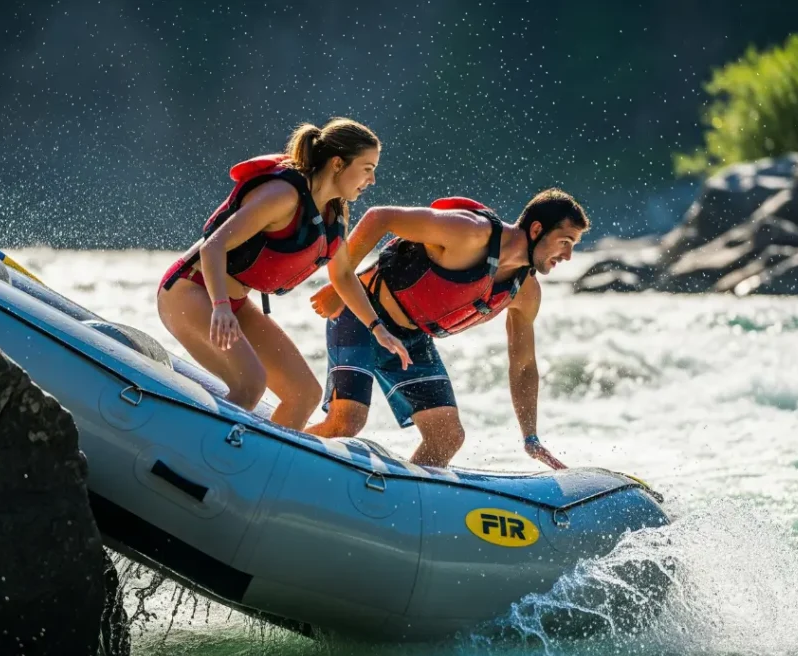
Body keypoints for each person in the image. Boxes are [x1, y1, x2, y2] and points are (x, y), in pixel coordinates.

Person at [305, 189, 589, 467]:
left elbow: (524, 365)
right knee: (347, 421)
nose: (568, 255)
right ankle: (280, 453)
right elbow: (380, 217)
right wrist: (338, 281)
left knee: (447, 437)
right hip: (362, 314)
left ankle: (400, 502)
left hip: (410, 340)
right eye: (565, 241)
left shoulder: (525, 292)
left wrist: (531, 437)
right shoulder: (470, 233)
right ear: (537, 229)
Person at [157, 118, 411, 429]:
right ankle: (194, 450)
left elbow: (343, 276)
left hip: (233, 303)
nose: (372, 179)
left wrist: (377, 329)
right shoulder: (283, 195)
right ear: (337, 164)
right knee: (250, 384)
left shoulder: (336, 212)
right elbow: (214, 247)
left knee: (304, 394)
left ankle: (257, 468)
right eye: (367, 167)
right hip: (192, 291)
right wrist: (221, 307)